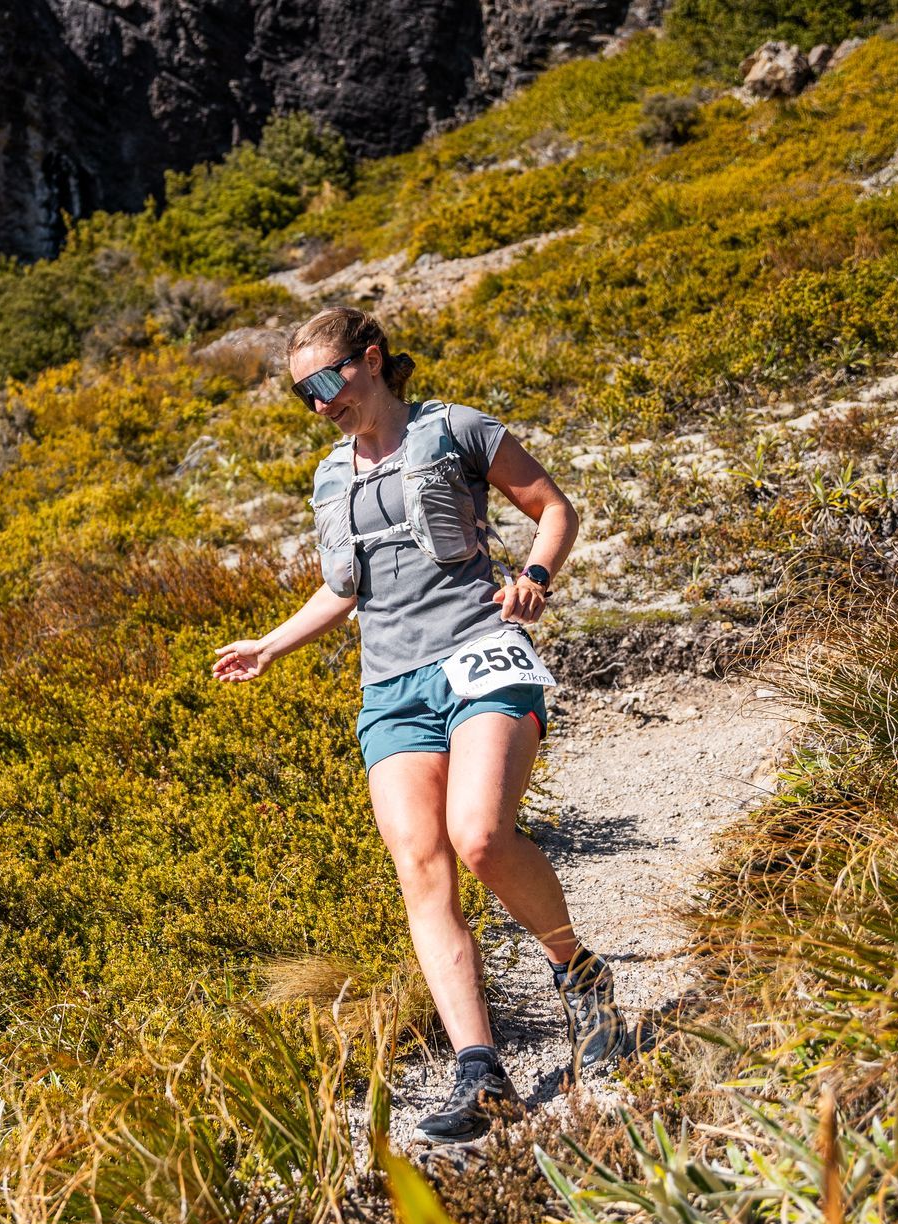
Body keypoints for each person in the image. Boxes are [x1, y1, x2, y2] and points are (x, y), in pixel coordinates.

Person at [211, 306, 627, 1144]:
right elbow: (345, 589)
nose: (318, 403)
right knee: (422, 868)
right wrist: (271, 644)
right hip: (391, 688)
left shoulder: (458, 430)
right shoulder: (331, 478)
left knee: (479, 837)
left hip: (479, 653)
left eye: (327, 383)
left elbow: (554, 508)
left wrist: (535, 575)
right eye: (303, 395)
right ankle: (481, 1072)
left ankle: (577, 973)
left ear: (371, 361)